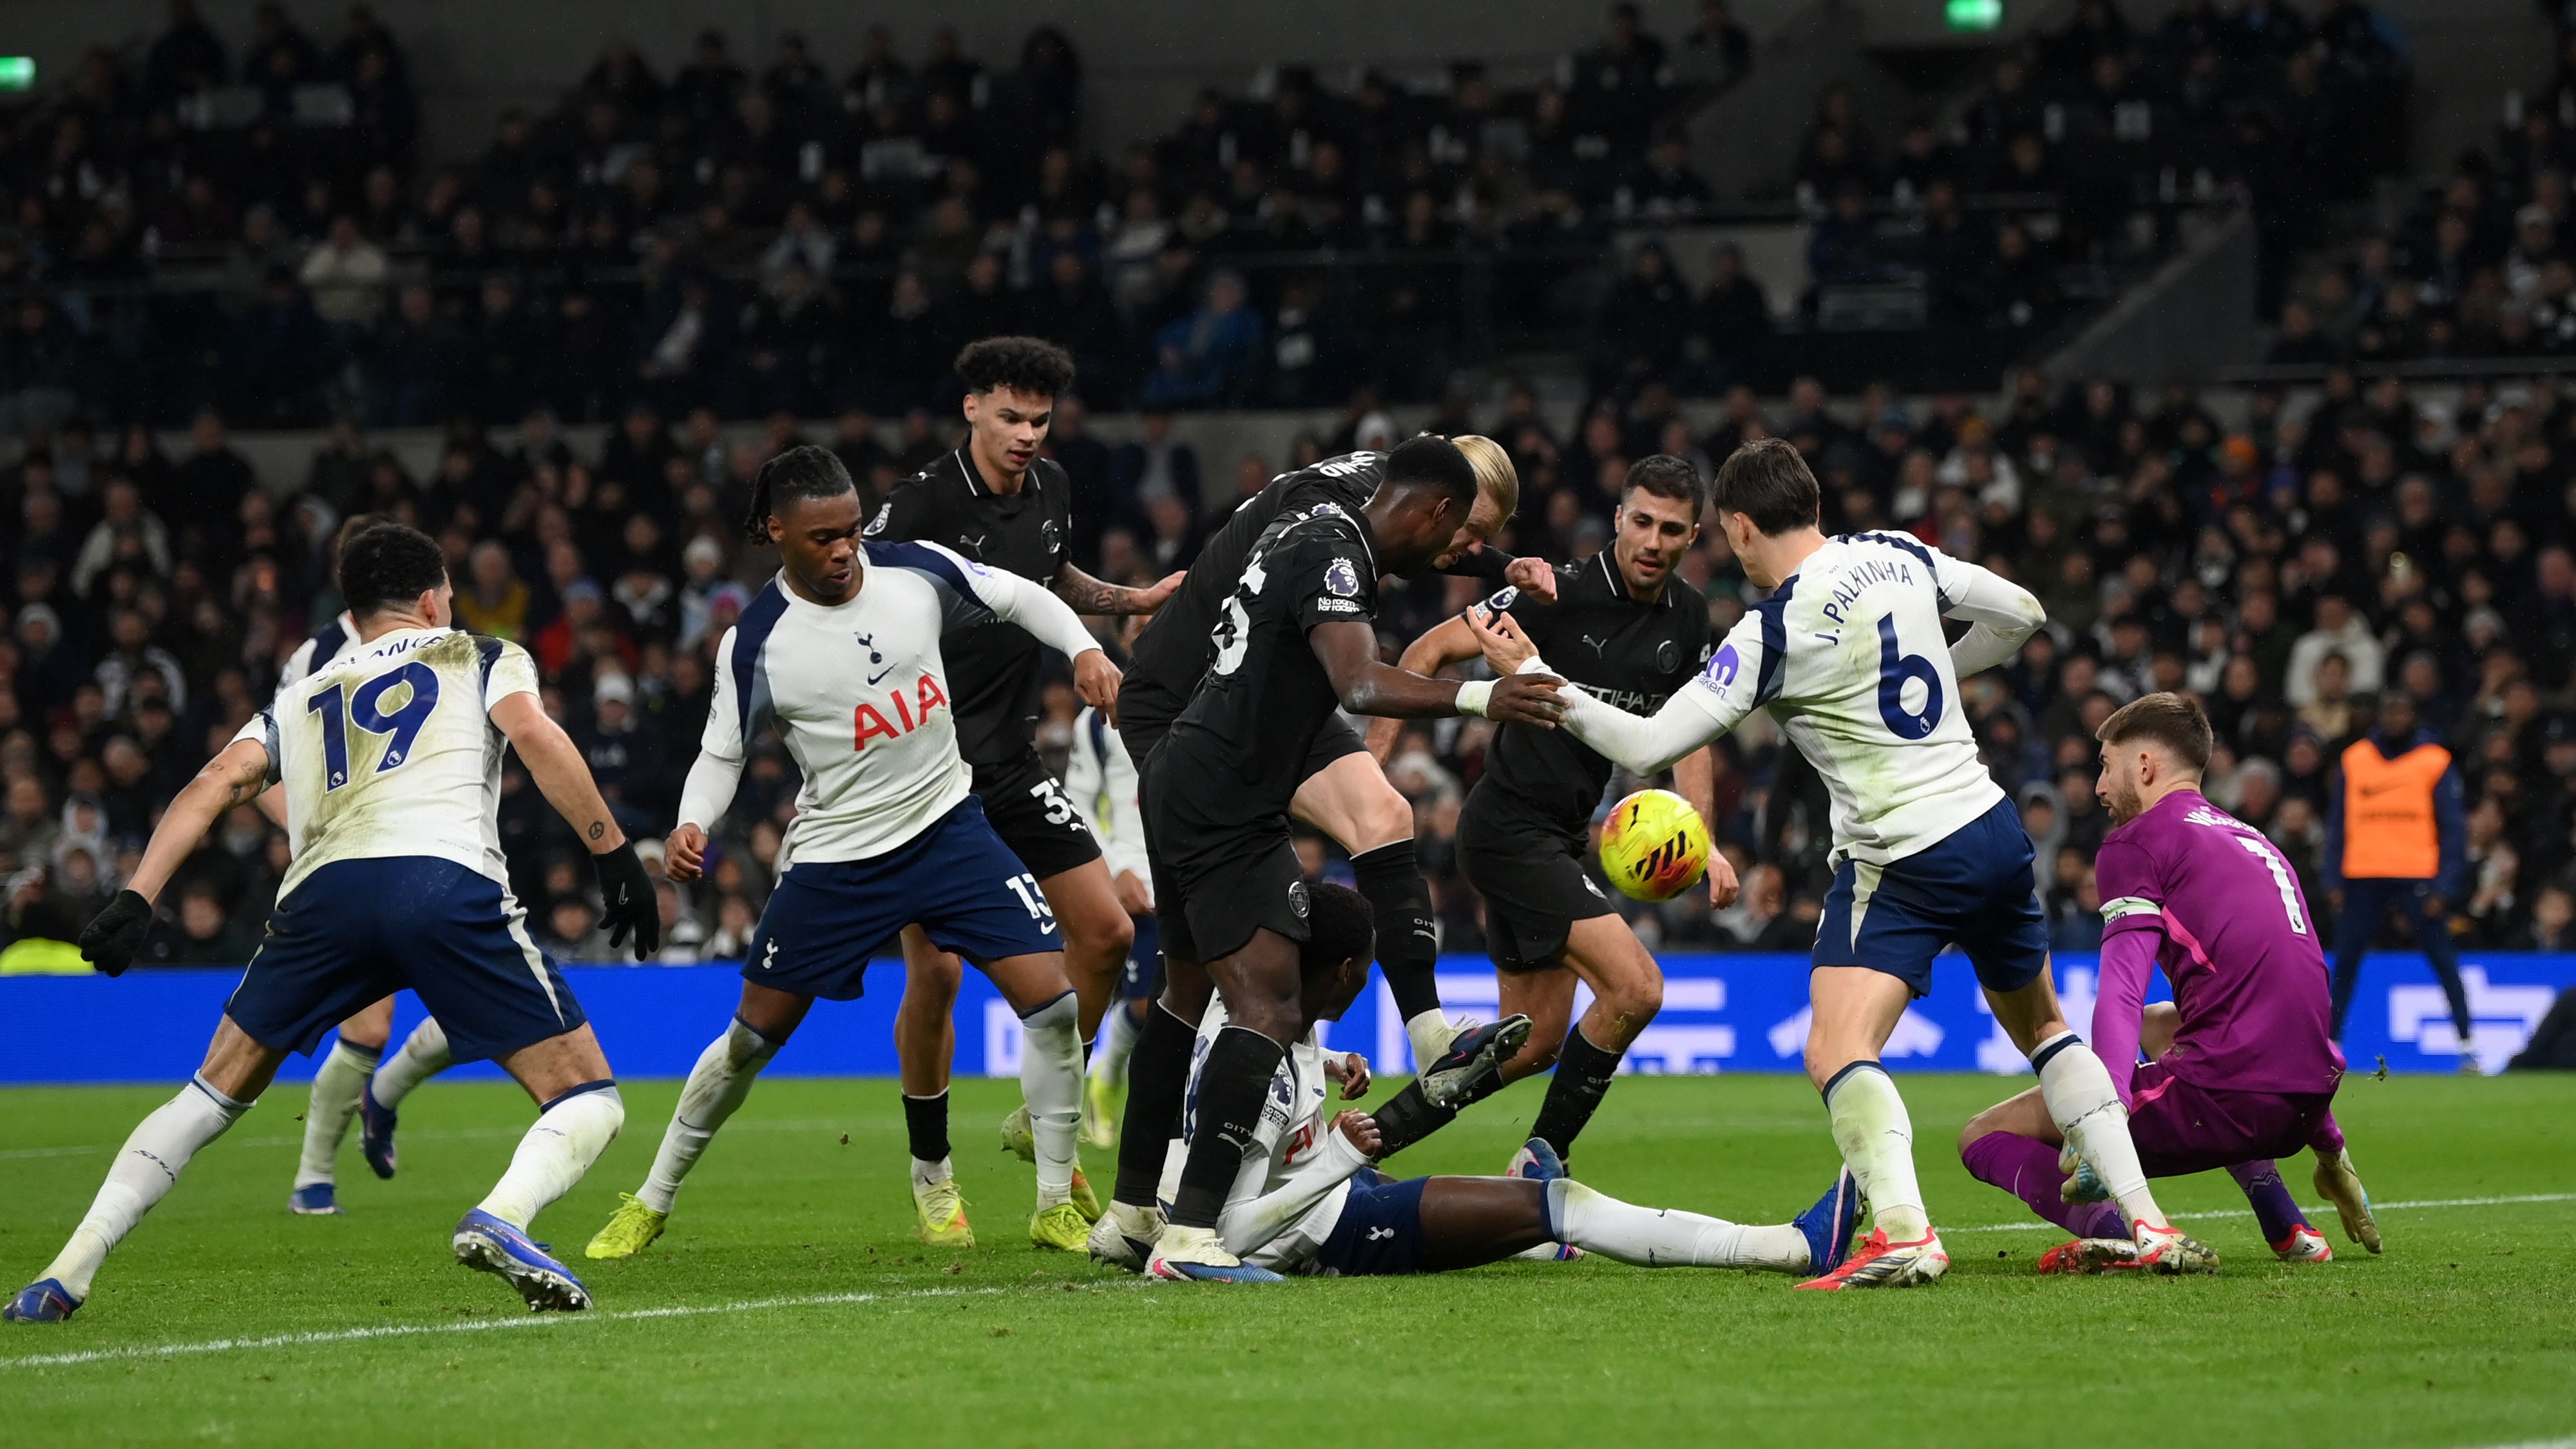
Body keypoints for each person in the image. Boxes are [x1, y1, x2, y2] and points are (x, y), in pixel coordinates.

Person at [1467, 437, 2217, 1288]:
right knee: (2043, 1028)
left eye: (1725, 535)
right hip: (1989, 825)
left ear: (1742, 528)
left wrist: (1532, 674)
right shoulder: (1893, 552)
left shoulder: (1771, 628)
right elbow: (2021, 614)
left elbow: (1645, 741)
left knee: (1834, 1048)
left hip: (1901, 853)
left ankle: (1901, 1230)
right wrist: (1943, 664)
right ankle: (2148, 1222)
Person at [7, 524, 660, 1323]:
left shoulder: (301, 691)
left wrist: (138, 896)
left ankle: (63, 1273)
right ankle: (503, 1215)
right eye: (448, 595)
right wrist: (614, 853)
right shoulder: (478, 654)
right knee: (588, 1094)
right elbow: (533, 732)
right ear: (431, 598)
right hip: (441, 880)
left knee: (208, 1092)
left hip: (321, 898)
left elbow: (215, 781)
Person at [584, 445, 1119, 1261]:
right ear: (776, 534)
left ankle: (1053, 1203)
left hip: (949, 828)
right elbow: (722, 752)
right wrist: (695, 821)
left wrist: (1082, 647)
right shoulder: (756, 639)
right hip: (839, 859)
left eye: (852, 531)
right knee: (750, 1041)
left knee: (1052, 1007)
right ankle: (651, 1198)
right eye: (823, 538)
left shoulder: (914, 571)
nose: (844, 551)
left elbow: (1019, 597)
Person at [1087, 436, 1557, 1271]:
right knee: (1273, 976)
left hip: (1215, 709)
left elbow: (1419, 538)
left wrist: (1506, 560)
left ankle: (1132, 1213)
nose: (1459, 558)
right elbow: (1358, 679)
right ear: (1432, 501)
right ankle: (1194, 1221)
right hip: (1202, 712)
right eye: (1461, 536)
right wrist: (1484, 694)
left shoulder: (1350, 494)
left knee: (1188, 984)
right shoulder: (1330, 542)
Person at [1127, 880, 1864, 1280]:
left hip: (1336, 1189)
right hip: (1321, 1232)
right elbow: (1228, 1232)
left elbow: (1263, 1076)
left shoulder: (1258, 1006)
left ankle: (1528, 1236)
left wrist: (1327, 1062)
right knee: (1559, 1202)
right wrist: (1342, 1158)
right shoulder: (1260, 1085)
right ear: (1349, 970)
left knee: (1501, 1205)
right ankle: (1787, 1248)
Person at [866, 337, 1181, 1246]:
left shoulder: (1050, 489)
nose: (1025, 436)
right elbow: (853, 615)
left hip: (1006, 762)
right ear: (970, 408)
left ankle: (1037, 1112)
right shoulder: (918, 505)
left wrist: (1125, 602)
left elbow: (1050, 579)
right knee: (937, 971)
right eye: (1009, 417)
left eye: (1039, 421)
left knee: (1108, 933)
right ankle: (931, 1175)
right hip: (920, 776)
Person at [1364, 455, 1734, 1171]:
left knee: (1533, 1042)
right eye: (1643, 522)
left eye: (1673, 530)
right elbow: (1432, 648)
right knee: (1637, 987)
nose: (1654, 541)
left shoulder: (1688, 619)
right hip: (1507, 827)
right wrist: (1369, 773)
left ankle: (1366, 1140)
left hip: (1558, 839)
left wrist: (1705, 839)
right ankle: (1542, 1161)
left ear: (1693, 539)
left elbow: (1697, 730)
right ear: (1620, 520)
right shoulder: (1556, 591)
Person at [1958, 693, 2381, 1271]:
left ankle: (2120, 1234)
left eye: (2107, 765)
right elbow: (2292, 1004)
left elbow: (2120, 990)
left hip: (2229, 1099)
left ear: (2145, 766)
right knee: (2165, 1023)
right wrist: (2329, 1149)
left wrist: (2099, 1119)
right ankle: (2288, 1226)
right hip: (2309, 1102)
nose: (2101, 786)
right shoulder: (2256, 842)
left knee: (1981, 1135)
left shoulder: (2137, 843)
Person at [2323, 690, 2477, 1069]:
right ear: (2379, 714)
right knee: (2345, 964)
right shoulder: (2356, 759)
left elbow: (2453, 829)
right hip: (2362, 875)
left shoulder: (2434, 761)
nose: (2394, 717)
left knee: (2443, 960)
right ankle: (2328, 1047)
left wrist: (2444, 885)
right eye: (2388, 709)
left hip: (2417, 877)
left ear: (2413, 714)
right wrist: (2333, 878)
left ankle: (2468, 1045)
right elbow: (2337, 824)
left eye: (2401, 709)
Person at [1063, 698, 1156, 1150]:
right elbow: (1076, 801)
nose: (1142, 628)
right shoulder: (1099, 718)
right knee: (1146, 1009)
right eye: (1133, 622)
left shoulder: (1211, 693)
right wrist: (1115, 867)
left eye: (1150, 620)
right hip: (1137, 879)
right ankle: (1106, 1075)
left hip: (1197, 874)